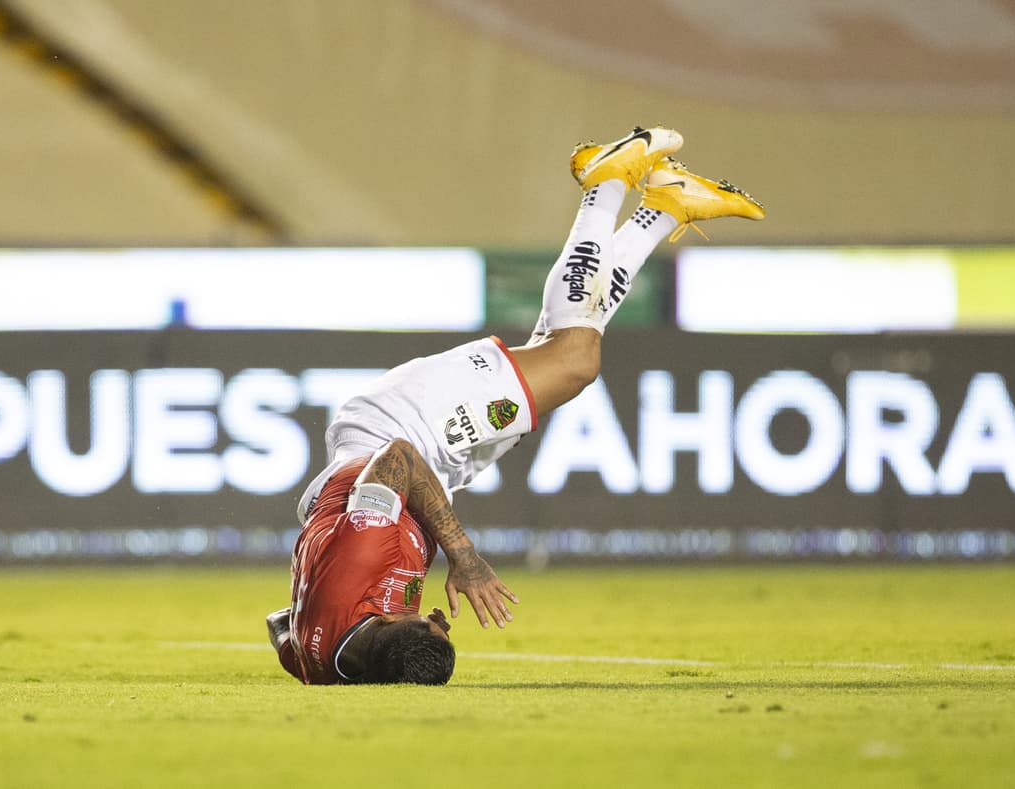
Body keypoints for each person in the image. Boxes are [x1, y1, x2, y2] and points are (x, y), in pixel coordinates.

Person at [266, 126, 765, 685]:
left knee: (575, 359)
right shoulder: (323, 665)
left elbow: (399, 457)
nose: (439, 618)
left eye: (432, 626)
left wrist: (464, 556)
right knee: (566, 344)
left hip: (404, 424)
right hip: (445, 462)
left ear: (394, 629)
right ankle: (666, 208)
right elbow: (281, 626)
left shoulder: (362, 556)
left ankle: (603, 183)